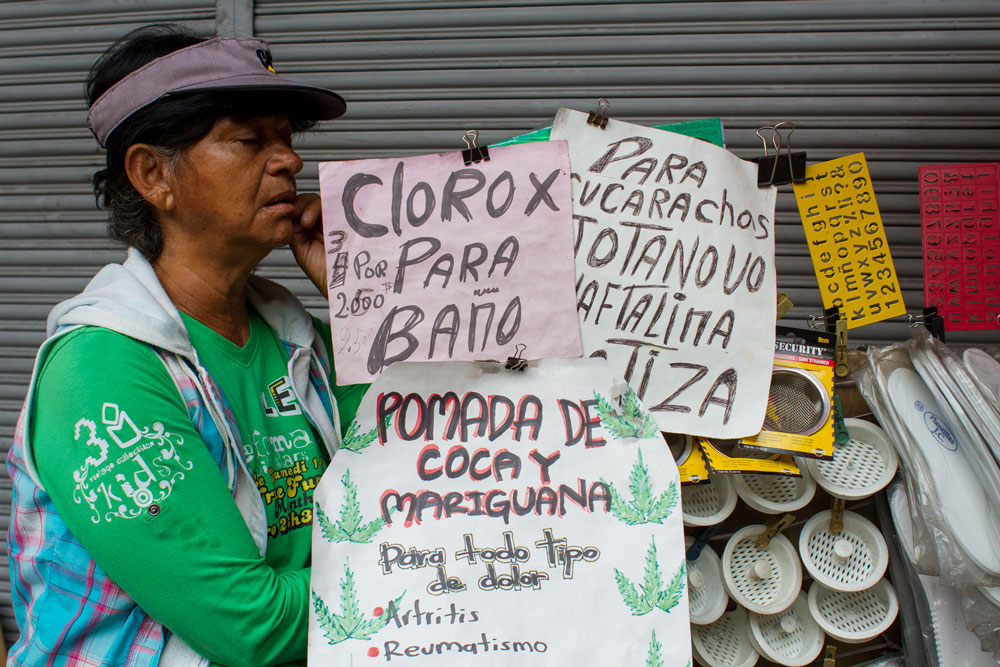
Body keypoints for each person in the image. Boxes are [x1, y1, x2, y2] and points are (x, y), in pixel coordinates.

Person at [6, 24, 367, 666]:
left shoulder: (294, 335)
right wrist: (424, 576)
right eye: (250, 140)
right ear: (153, 175)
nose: (290, 161)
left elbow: (420, 462)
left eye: (287, 139)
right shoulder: (104, 369)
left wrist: (356, 297)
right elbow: (251, 632)